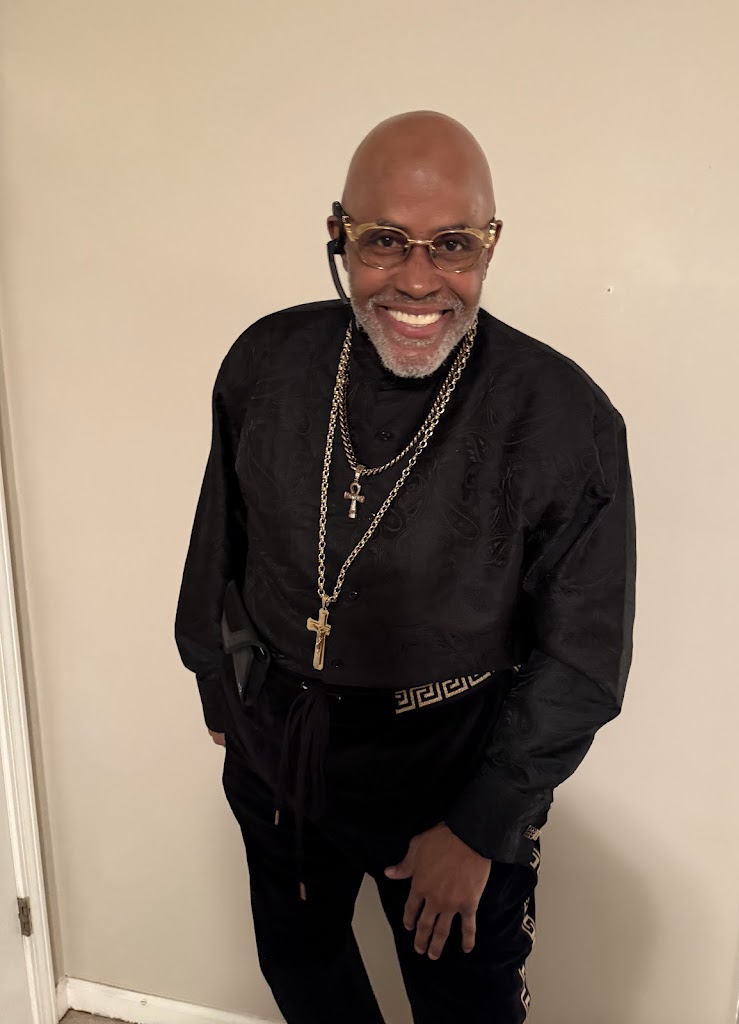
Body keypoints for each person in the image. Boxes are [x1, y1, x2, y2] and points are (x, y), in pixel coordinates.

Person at [175, 110, 635, 1024]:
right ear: (338, 235)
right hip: (281, 749)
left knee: (467, 1008)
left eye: (453, 245)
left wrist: (480, 825)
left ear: (490, 245)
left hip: (451, 766)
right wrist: (221, 693)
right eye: (384, 240)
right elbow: (219, 540)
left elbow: (583, 655)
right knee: (304, 975)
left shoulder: (563, 416)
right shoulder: (268, 360)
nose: (419, 280)